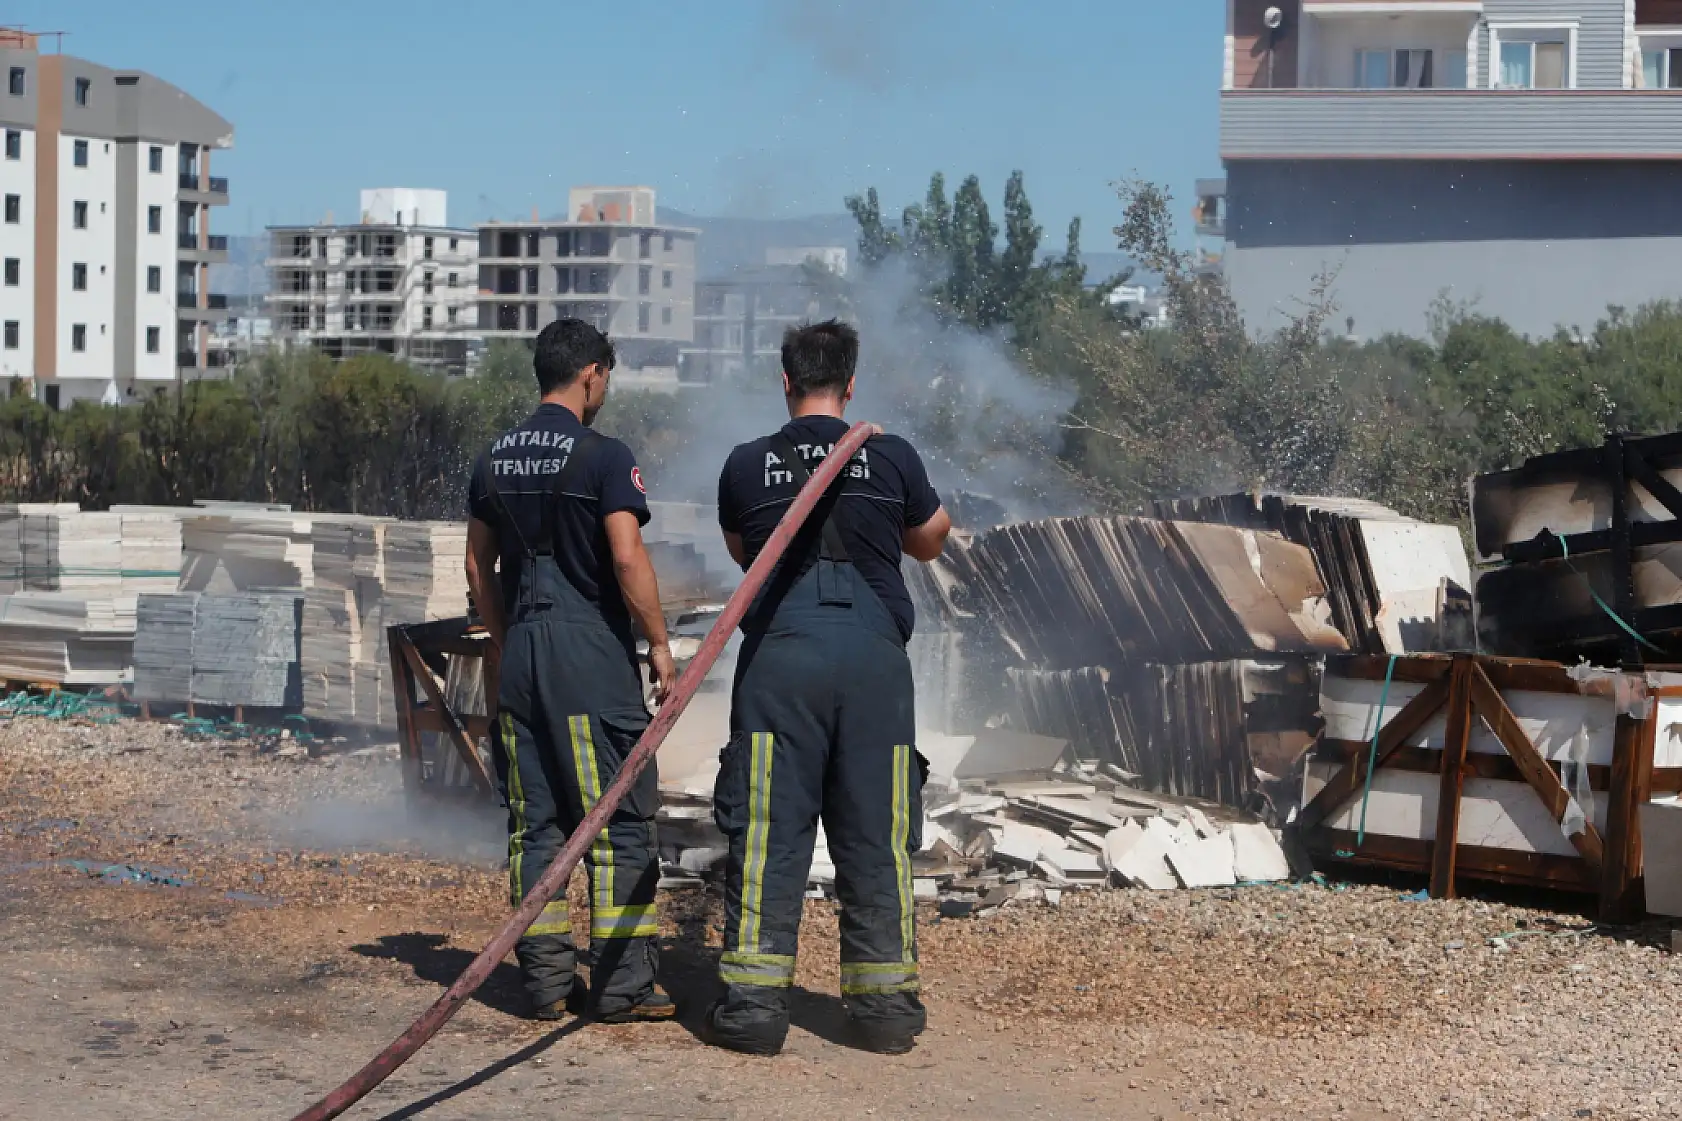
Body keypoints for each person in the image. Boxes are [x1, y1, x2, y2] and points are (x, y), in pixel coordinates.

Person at [705, 319, 953, 1056]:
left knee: (769, 833)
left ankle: (752, 1008)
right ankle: (883, 1012)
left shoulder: (747, 465)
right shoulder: (893, 455)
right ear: (851, 384)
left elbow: (746, 552)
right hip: (875, 667)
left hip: (781, 663)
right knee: (877, 833)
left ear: (784, 384)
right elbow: (933, 535)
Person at [463, 318, 678, 1024]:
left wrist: (505, 643)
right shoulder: (604, 456)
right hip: (589, 659)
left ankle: (548, 984)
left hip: (522, 652)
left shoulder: (494, 458)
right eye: (606, 378)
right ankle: (620, 987)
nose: (605, 390)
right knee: (616, 821)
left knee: (537, 822)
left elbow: (476, 565)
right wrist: (657, 643)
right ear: (591, 373)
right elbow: (625, 557)